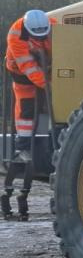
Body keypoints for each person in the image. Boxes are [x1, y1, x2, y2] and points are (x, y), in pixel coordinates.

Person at [5, 9, 53, 164]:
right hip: (21, 73)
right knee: (27, 108)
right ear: (27, 29)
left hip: (46, 68)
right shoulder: (15, 35)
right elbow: (28, 67)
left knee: (55, 106)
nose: (40, 37)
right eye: (36, 35)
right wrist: (49, 86)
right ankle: (23, 147)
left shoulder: (52, 25)